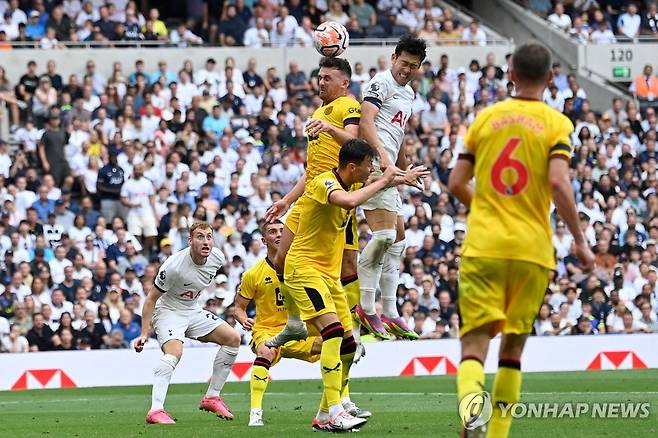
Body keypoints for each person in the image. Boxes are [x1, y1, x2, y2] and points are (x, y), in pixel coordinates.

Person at [448, 42, 595, 438]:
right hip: (532, 251)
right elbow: (558, 182)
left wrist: (491, 207)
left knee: (474, 348)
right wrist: (580, 241)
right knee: (511, 354)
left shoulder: (484, 119)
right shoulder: (556, 124)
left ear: (510, 74)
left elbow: (456, 183)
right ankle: (497, 434)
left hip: (483, 247)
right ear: (550, 78)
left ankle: (470, 411)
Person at [282, 139, 398, 431]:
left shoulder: (352, 184)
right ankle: (335, 410)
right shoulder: (325, 184)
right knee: (332, 332)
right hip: (304, 269)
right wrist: (384, 178)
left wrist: (401, 178)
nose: (370, 169)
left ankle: (325, 414)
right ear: (351, 166)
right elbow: (349, 202)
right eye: (367, 164)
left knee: (348, 343)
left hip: (328, 276)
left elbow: (372, 183)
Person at [262, 57, 363, 348]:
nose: (321, 82)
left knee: (342, 266)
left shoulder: (348, 105)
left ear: (343, 82)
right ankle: (295, 323)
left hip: (333, 195)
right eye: (319, 77)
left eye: (327, 78)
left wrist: (330, 129)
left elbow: (354, 145)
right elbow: (311, 170)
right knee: (280, 259)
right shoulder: (319, 112)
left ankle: (352, 328)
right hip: (310, 195)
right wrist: (285, 201)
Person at [234, 220, 370, 427]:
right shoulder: (253, 274)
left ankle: (343, 402)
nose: (279, 234)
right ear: (263, 240)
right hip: (268, 331)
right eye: (272, 232)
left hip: (302, 330)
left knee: (337, 346)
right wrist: (243, 319)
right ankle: (255, 414)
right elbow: (239, 307)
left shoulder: (303, 266)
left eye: (282, 230)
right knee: (266, 352)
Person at [356, 35, 428, 340]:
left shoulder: (409, 94)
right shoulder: (380, 82)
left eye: (414, 66)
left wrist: (404, 165)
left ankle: (390, 311)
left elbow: (396, 134)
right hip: (372, 165)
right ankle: (365, 306)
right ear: (393, 57)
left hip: (390, 167)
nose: (407, 69)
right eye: (404, 63)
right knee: (385, 236)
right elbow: (366, 123)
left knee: (398, 241)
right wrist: (384, 161)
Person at [135, 222, 241, 425]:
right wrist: (144, 333)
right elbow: (150, 300)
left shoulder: (217, 257)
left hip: (192, 310)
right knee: (174, 353)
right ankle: (155, 410)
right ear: (190, 240)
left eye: (209, 237)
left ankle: (212, 397)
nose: (206, 241)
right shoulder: (173, 266)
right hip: (168, 312)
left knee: (232, 339)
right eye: (200, 237)